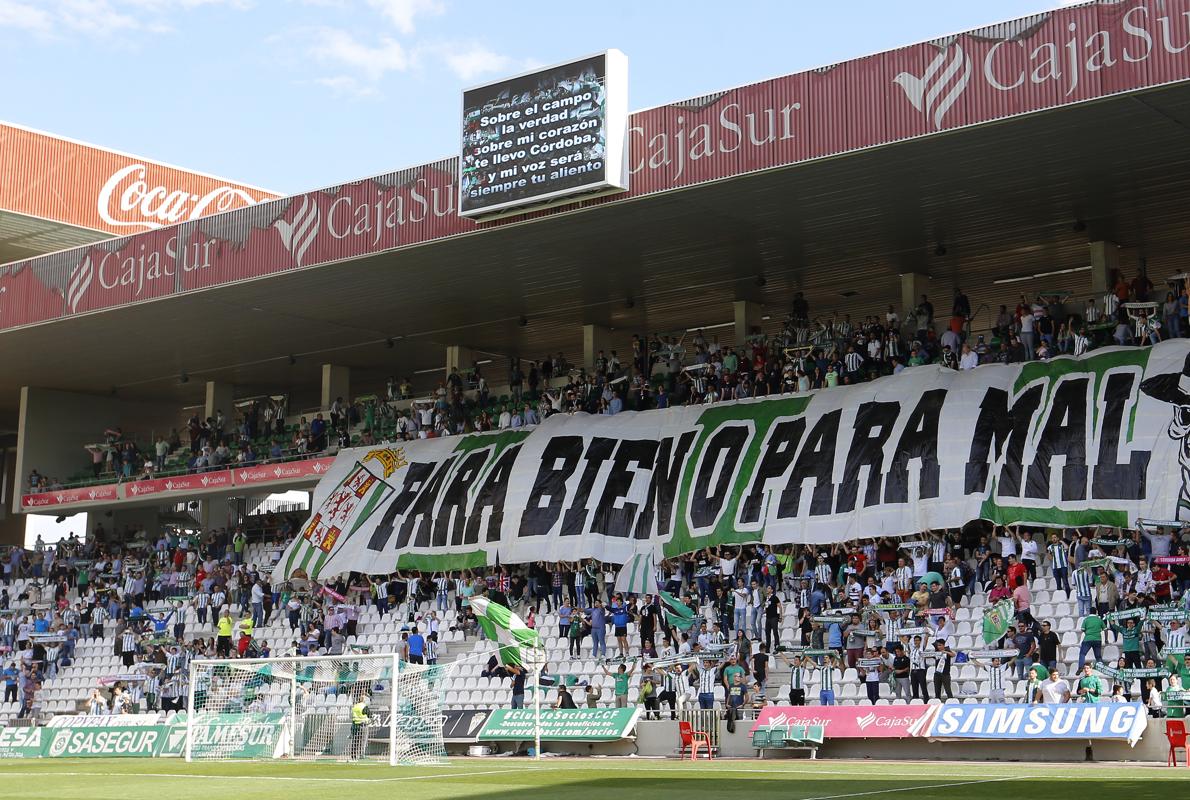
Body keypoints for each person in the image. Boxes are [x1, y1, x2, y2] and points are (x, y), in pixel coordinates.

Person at [350, 692, 371, 758]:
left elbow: (352, 716)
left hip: (355, 725)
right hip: (363, 725)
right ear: (364, 700)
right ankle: (361, 754)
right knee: (363, 741)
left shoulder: (355, 706)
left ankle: (353, 755)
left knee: (355, 741)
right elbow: (369, 715)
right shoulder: (364, 706)